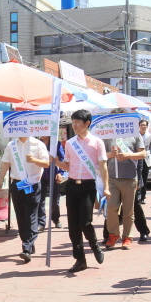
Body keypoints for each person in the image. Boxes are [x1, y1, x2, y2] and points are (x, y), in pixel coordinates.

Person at [54, 109, 110, 273]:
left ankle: (94, 247)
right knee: (73, 226)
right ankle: (80, 259)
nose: (75, 125)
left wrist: (106, 187)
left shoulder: (97, 142)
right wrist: (56, 162)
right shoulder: (71, 143)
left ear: (87, 123)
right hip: (71, 186)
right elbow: (67, 166)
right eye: (73, 122)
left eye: (78, 122)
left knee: (85, 222)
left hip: (88, 186)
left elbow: (103, 166)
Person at [0, 136, 49, 264]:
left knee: (30, 214)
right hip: (18, 184)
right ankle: (29, 243)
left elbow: (46, 163)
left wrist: (34, 160)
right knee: (21, 216)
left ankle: (26, 247)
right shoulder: (11, 145)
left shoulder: (38, 144)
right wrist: (1, 179)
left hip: (31, 182)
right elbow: (5, 163)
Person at [104, 109, 146, 250]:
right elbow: (100, 154)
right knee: (111, 207)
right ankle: (113, 234)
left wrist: (128, 155)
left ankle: (127, 237)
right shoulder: (108, 135)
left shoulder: (134, 134)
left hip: (129, 177)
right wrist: (111, 154)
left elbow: (143, 153)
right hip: (112, 178)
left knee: (128, 210)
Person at [37, 135, 65, 231]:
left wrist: (60, 173)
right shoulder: (35, 144)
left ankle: (56, 219)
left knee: (55, 201)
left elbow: (62, 159)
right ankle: (41, 223)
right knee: (40, 200)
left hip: (53, 175)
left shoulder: (56, 144)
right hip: (39, 176)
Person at [139, 119, 151, 204]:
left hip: (146, 159)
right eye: (142, 125)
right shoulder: (136, 135)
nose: (143, 126)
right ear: (139, 126)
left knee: (144, 178)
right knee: (138, 177)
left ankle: (143, 196)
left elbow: (150, 148)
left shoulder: (150, 136)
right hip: (137, 158)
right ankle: (138, 195)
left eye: (145, 125)